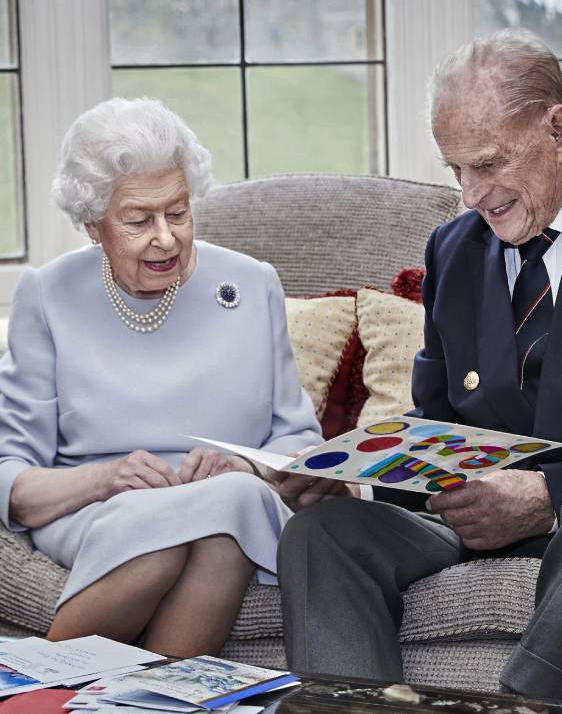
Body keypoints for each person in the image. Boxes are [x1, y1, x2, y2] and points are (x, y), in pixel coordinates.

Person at [275, 29, 562, 701]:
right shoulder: (454, 250)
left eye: (488, 164)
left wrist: (545, 497)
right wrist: (358, 476)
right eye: (455, 170)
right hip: (475, 524)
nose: (470, 194)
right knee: (324, 532)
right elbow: (437, 423)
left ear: (557, 128)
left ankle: (523, 702)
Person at [0, 97, 322, 656]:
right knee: (173, 537)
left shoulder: (252, 284)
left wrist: (241, 463)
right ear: (92, 224)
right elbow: (14, 483)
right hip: (94, 508)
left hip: (230, 499)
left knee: (228, 514)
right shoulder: (46, 295)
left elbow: (299, 442)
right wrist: (106, 479)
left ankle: (39, 689)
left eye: (177, 212)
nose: (166, 237)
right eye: (138, 220)